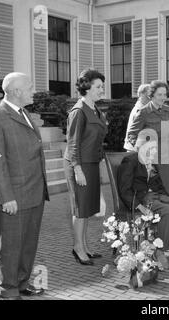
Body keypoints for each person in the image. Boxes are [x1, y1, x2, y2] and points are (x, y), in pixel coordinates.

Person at [0, 72, 49, 299]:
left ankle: (22, 282)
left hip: (34, 192)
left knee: (28, 243)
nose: (33, 90)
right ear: (16, 91)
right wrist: (6, 196)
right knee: (10, 246)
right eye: (29, 86)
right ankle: (8, 289)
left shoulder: (24, 113)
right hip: (14, 196)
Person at [117, 136, 169, 272]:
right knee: (167, 211)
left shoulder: (152, 161)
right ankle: (159, 251)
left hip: (156, 195)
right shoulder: (130, 161)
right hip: (142, 199)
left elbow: (158, 184)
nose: (154, 151)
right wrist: (140, 207)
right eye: (151, 148)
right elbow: (124, 190)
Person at [64, 69, 107, 265]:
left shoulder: (95, 109)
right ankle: (77, 248)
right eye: (98, 86)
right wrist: (78, 169)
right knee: (80, 209)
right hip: (79, 165)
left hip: (91, 164)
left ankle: (85, 245)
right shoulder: (78, 111)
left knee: (88, 208)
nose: (102, 89)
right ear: (87, 88)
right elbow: (73, 143)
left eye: (102, 86)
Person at [126, 80, 169, 198]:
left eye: (165, 94)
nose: (163, 97)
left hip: (165, 160)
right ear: (152, 95)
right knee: (153, 195)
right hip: (150, 163)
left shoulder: (168, 111)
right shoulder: (143, 112)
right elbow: (132, 135)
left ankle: (168, 215)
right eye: (160, 94)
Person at [124, 84, 151, 151]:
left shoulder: (142, 108)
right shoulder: (139, 110)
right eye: (148, 95)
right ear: (141, 95)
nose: (150, 98)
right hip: (136, 149)